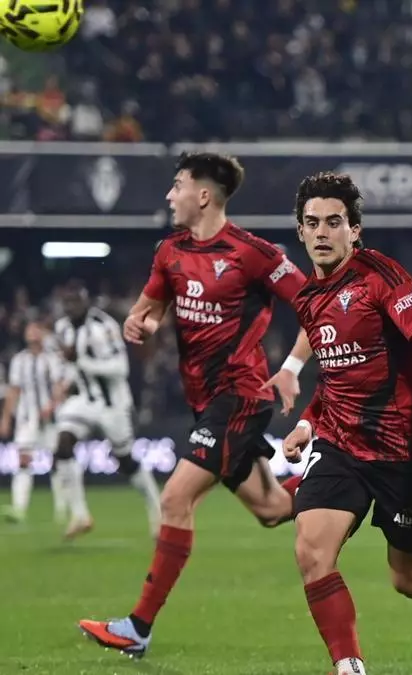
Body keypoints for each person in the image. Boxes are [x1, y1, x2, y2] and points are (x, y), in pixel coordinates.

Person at [79, 152, 313, 659]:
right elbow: (149, 309)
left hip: (240, 397)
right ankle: (351, 475)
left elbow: (317, 307)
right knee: (273, 509)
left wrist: (291, 368)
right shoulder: (170, 252)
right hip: (205, 404)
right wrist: (141, 323)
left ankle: (137, 627)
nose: (170, 195)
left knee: (175, 499)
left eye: (178, 185)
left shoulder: (253, 254)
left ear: (203, 195)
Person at [281, 172, 412, 675]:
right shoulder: (308, 298)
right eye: (312, 223)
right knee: (312, 551)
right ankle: (349, 666)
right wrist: (308, 424)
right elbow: (334, 374)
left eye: (333, 222)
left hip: (401, 450)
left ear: (354, 230)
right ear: (300, 231)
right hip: (340, 445)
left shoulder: (379, 276)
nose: (322, 232)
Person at [53, 282, 161, 539]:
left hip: (113, 404)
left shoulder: (104, 326)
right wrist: (64, 383)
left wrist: (82, 362)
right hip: (85, 400)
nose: (71, 308)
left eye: (75, 302)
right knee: (63, 444)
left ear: (85, 302)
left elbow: (120, 369)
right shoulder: (62, 328)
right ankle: (80, 515)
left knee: (125, 461)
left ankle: (157, 508)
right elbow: (69, 367)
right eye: (67, 303)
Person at [0, 321, 67, 524]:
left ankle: (62, 509)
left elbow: (59, 386)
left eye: (36, 330)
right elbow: (14, 391)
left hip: (50, 418)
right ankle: (19, 509)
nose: (32, 333)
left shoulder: (51, 359)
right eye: (29, 330)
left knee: (58, 462)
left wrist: (52, 405)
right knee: (23, 460)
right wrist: (5, 418)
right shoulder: (19, 360)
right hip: (27, 418)